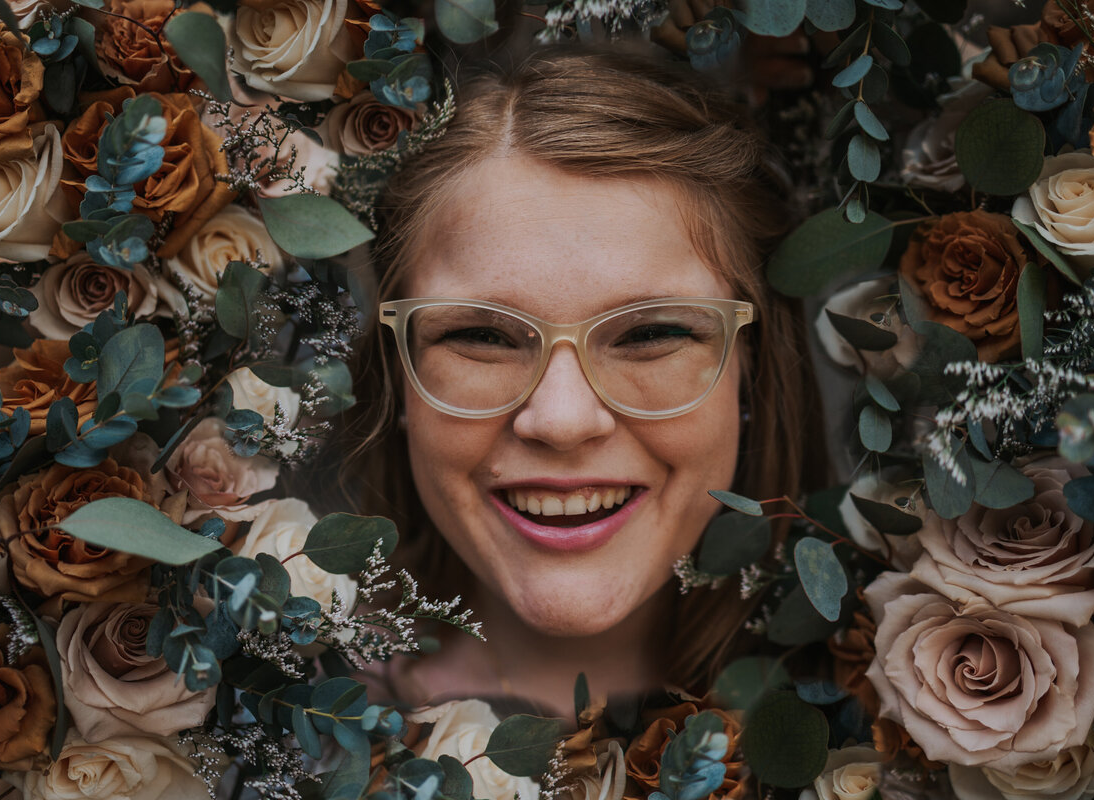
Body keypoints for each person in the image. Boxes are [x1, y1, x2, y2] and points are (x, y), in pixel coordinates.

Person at [334, 46, 823, 716]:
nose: (562, 421)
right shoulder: (258, 729)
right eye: (482, 337)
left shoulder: (888, 730)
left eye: (650, 335)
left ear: (753, 368)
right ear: (399, 377)